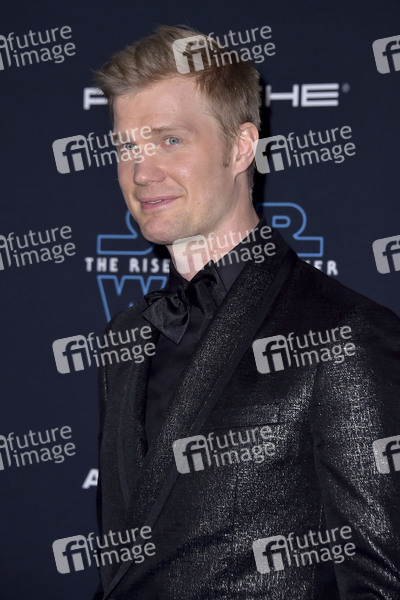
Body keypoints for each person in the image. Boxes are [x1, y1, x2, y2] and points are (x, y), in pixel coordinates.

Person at [93, 25, 400, 599]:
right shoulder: (126, 336)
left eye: (170, 140)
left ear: (240, 148)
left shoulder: (344, 334)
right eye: (127, 146)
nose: (141, 172)